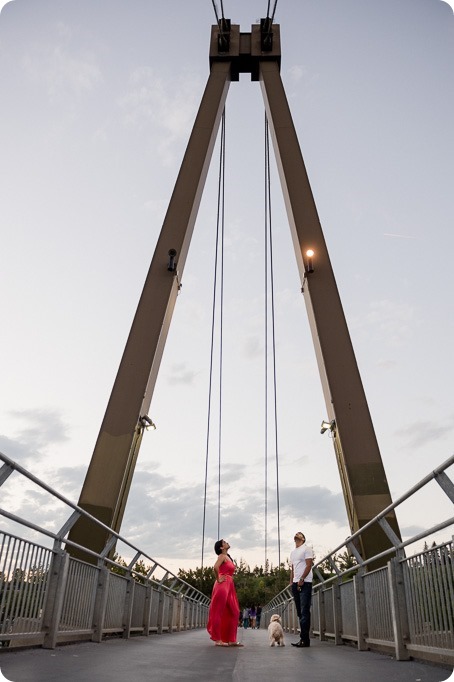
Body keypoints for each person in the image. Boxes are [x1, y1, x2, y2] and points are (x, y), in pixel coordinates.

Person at [207, 539, 244, 647]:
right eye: (224, 542)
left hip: (229, 585)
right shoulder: (222, 556)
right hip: (222, 585)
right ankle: (218, 640)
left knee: (235, 611)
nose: (227, 542)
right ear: (221, 547)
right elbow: (215, 567)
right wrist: (218, 579)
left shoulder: (228, 557)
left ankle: (231, 639)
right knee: (218, 611)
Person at [289, 531, 313, 648]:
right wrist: (291, 582)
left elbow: (309, 565)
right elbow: (293, 568)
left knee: (304, 611)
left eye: (299, 535)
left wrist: (302, 578)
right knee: (299, 612)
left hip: (305, 583)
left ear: (303, 539)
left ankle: (305, 640)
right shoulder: (293, 553)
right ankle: (303, 638)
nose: (297, 536)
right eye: (296, 536)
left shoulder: (307, 549)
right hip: (295, 583)